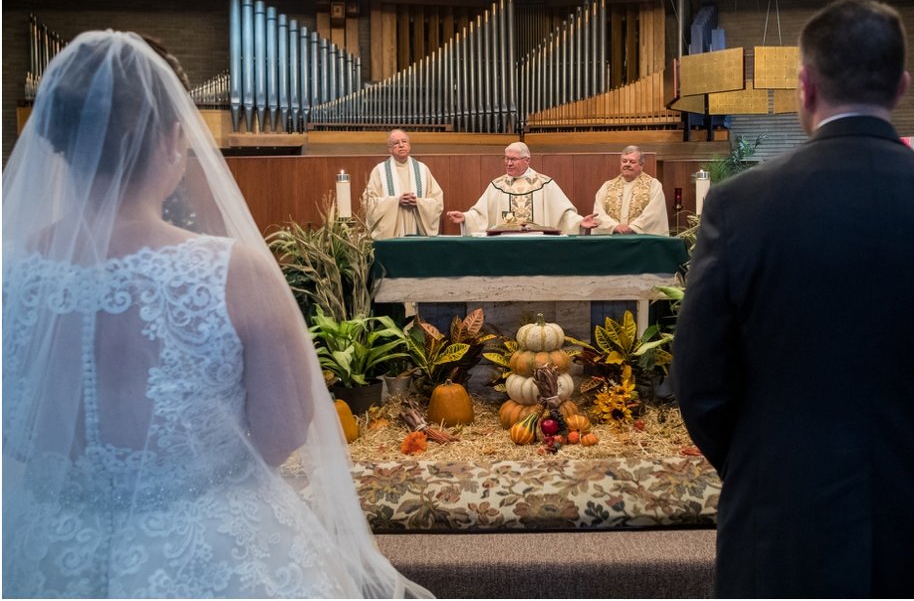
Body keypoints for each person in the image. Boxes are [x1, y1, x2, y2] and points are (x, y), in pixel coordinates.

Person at [1, 31, 433, 599]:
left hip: (45, 547)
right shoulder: (238, 273)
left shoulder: (11, 275)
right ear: (174, 138)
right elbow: (281, 434)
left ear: (57, 142)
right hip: (207, 547)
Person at [672, 0, 914, 598]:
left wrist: (762, 460)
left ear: (804, 85)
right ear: (901, 87)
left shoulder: (740, 206)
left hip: (782, 516)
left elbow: (700, 380)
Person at [445, 141, 598, 234]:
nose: (508, 163)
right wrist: (465, 217)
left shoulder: (544, 184)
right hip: (505, 246)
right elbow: (480, 214)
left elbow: (563, 214)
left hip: (538, 246)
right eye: (506, 158)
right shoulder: (497, 185)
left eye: (513, 159)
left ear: (527, 160)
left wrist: (579, 222)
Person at [363, 128, 444, 239]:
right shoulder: (380, 171)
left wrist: (418, 202)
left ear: (409, 146)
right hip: (392, 235)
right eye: (396, 143)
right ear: (390, 149)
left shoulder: (422, 169)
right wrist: (396, 201)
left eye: (404, 141)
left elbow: (437, 202)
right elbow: (368, 203)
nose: (401, 145)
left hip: (417, 230)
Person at [590, 146, 670, 235]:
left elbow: (655, 213)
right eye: (624, 161)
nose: (627, 164)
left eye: (632, 162)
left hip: (640, 242)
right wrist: (615, 226)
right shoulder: (607, 186)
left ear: (641, 165)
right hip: (613, 240)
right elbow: (598, 213)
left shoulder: (653, 185)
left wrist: (633, 227)